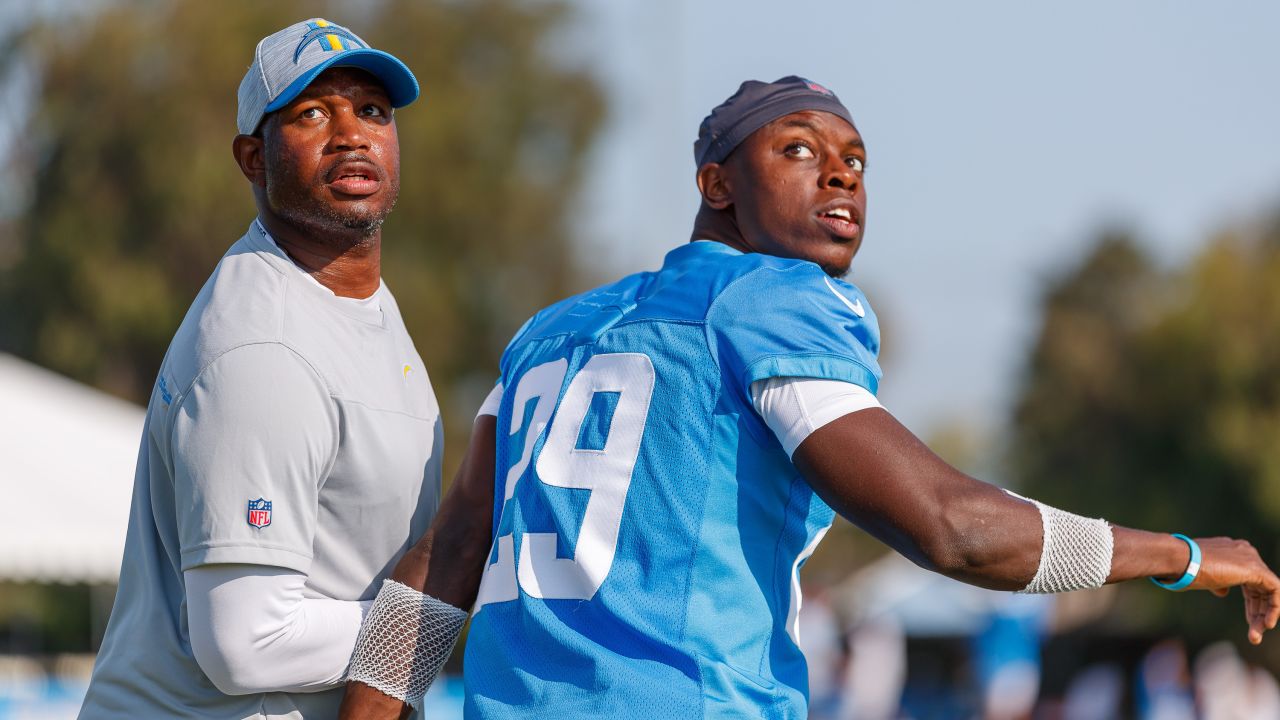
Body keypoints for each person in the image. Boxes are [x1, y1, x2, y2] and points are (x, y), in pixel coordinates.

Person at [339, 77, 1280, 719]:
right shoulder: (772, 297)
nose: (839, 174)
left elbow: (446, 553)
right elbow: (955, 529)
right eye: (798, 149)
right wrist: (1183, 556)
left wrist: (373, 711)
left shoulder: (546, 330)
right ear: (717, 184)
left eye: (857, 161)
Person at [78, 18, 444, 719]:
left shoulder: (358, 301)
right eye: (312, 113)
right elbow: (247, 642)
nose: (351, 133)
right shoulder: (261, 349)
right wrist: (443, 615)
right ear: (253, 157)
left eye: (372, 110)